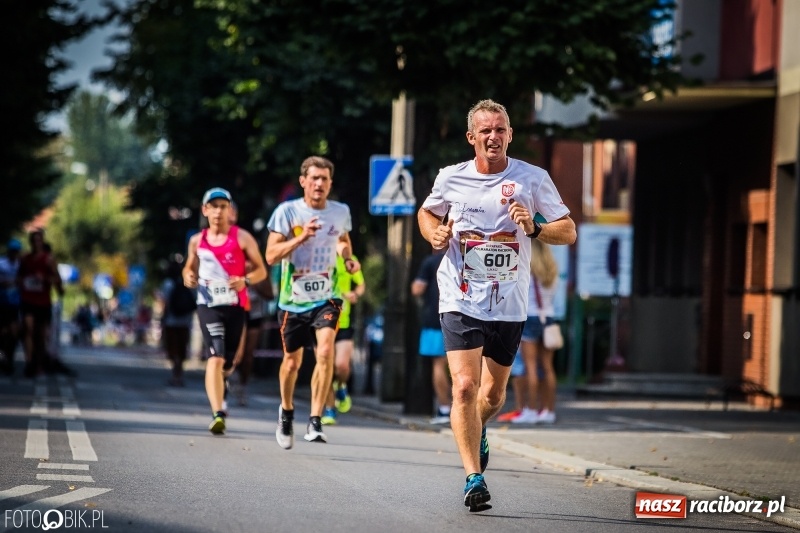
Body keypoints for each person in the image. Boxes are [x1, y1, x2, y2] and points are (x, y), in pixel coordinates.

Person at [417, 99, 576, 512]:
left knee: (493, 395)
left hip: (509, 303)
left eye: (500, 129)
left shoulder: (532, 178)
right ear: (472, 138)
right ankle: (474, 478)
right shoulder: (451, 178)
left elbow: (569, 231)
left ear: (510, 134)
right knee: (465, 387)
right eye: (485, 130)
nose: (494, 136)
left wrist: (535, 226)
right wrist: (435, 234)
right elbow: (427, 213)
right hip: (459, 295)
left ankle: (478, 427)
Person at [266, 155, 361, 449]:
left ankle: (316, 419)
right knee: (292, 363)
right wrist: (300, 238)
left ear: (330, 183)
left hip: (326, 296)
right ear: (303, 182)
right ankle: (286, 410)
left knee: (325, 352)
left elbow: (343, 240)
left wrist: (347, 259)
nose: (319, 184)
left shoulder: (340, 211)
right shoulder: (287, 212)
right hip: (293, 300)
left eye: (325, 179)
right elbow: (271, 255)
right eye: (314, 178)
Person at [183, 187, 267, 435]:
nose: (219, 211)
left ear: (230, 210)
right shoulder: (197, 241)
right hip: (208, 305)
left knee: (230, 361)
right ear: (205, 210)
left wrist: (246, 281)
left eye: (223, 206)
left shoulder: (242, 238)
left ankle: (223, 383)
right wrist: (188, 275)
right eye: (214, 206)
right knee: (216, 356)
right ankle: (218, 412)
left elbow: (261, 270)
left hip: (235, 305)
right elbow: (189, 267)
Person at [511, 239, 560, 424]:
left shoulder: (527, 271)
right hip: (548, 318)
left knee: (530, 367)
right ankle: (549, 411)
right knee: (547, 368)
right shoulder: (552, 272)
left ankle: (530, 410)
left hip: (530, 318)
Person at [16, 229, 68, 378]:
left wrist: (46, 280)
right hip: (27, 300)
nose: (36, 243)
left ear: (42, 242)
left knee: (41, 335)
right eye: (33, 241)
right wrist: (21, 282)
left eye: (38, 240)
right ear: (30, 242)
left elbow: (57, 279)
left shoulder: (48, 259)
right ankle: (28, 361)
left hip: (43, 302)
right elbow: (19, 277)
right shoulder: (25, 259)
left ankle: (38, 364)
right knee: (28, 328)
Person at [321, 253, 365, 425]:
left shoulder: (350, 258)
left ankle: (341, 386)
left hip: (344, 321)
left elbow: (361, 285)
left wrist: (355, 294)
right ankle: (330, 410)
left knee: (341, 365)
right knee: (325, 367)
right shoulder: (320, 255)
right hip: (322, 321)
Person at [410, 248, 451, 423]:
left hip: (435, 318)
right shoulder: (467, 258)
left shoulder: (431, 262)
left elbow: (417, 289)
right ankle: (463, 408)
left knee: (438, 365)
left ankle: (444, 409)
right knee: (462, 366)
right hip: (464, 318)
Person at [234, 258, 274, 406]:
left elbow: (270, 295)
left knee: (248, 355)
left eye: (251, 260)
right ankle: (231, 377)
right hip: (237, 313)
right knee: (236, 354)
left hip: (254, 316)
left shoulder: (261, 274)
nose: (248, 264)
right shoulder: (234, 270)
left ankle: (243, 384)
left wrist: (256, 284)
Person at [160, 258, 195, 387]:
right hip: (185, 322)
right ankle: (179, 374)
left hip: (171, 322)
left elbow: (165, 303)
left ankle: (176, 374)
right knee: (181, 349)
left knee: (172, 349)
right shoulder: (188, 283)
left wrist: (163, 318)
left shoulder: (167, 284)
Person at [0, 238, 22, 375]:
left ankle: (10, 359)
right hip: (2, 303)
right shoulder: (2, 264)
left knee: (14, 333)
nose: (14, 254)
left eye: (16, 252)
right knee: (2, 332)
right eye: (12, 251)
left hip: (15, 304)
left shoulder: (21, 266)